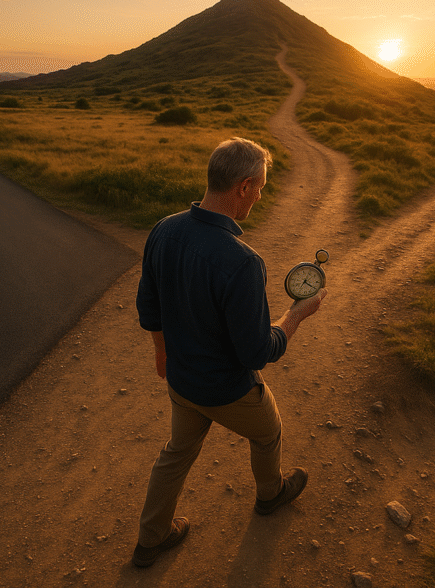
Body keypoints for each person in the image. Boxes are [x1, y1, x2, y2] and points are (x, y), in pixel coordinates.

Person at [131, 137, 327, 568]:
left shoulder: (163, 228)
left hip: (182, 380)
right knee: (269, 430)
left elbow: (149, 306)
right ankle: (271, 494)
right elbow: (257, 352)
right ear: (242, 187)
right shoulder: (242, 261)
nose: (259, 196)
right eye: (259, 188)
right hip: (227, 389)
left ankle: (151, 539)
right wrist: (296, 316)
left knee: (176, 453)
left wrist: (161, 355)